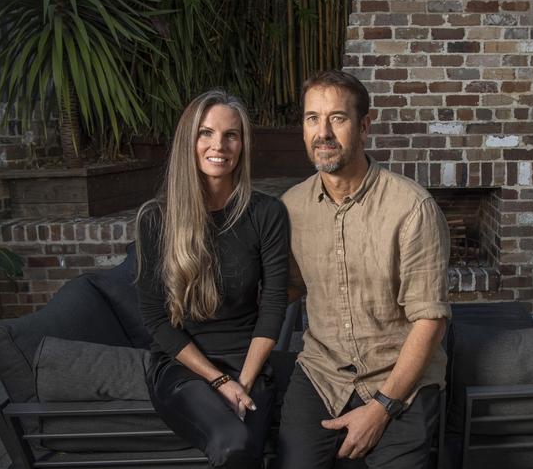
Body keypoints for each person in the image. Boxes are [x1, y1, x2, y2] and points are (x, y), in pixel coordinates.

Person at [278, 70, 451, 469]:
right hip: (322, 371)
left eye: (337, 118)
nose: (323, 132)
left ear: (364, 125)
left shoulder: (412, 208)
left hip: (399, 375)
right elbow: (286, 289)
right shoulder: (291, 207)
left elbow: (430, 321)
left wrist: (381, 408)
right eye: (312, 118)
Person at [135, 90, 289, 469]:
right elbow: (156, 320)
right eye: (206, 133)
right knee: (233, 441)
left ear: (243, 144)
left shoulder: (267, 213)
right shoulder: (155, 219)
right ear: (190, 140)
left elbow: (272, 307)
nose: (218, 145)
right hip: (183, 366)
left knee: (246, 446)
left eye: (231, 135)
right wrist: (220, 382)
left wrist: (245, 381)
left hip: (248, 362)